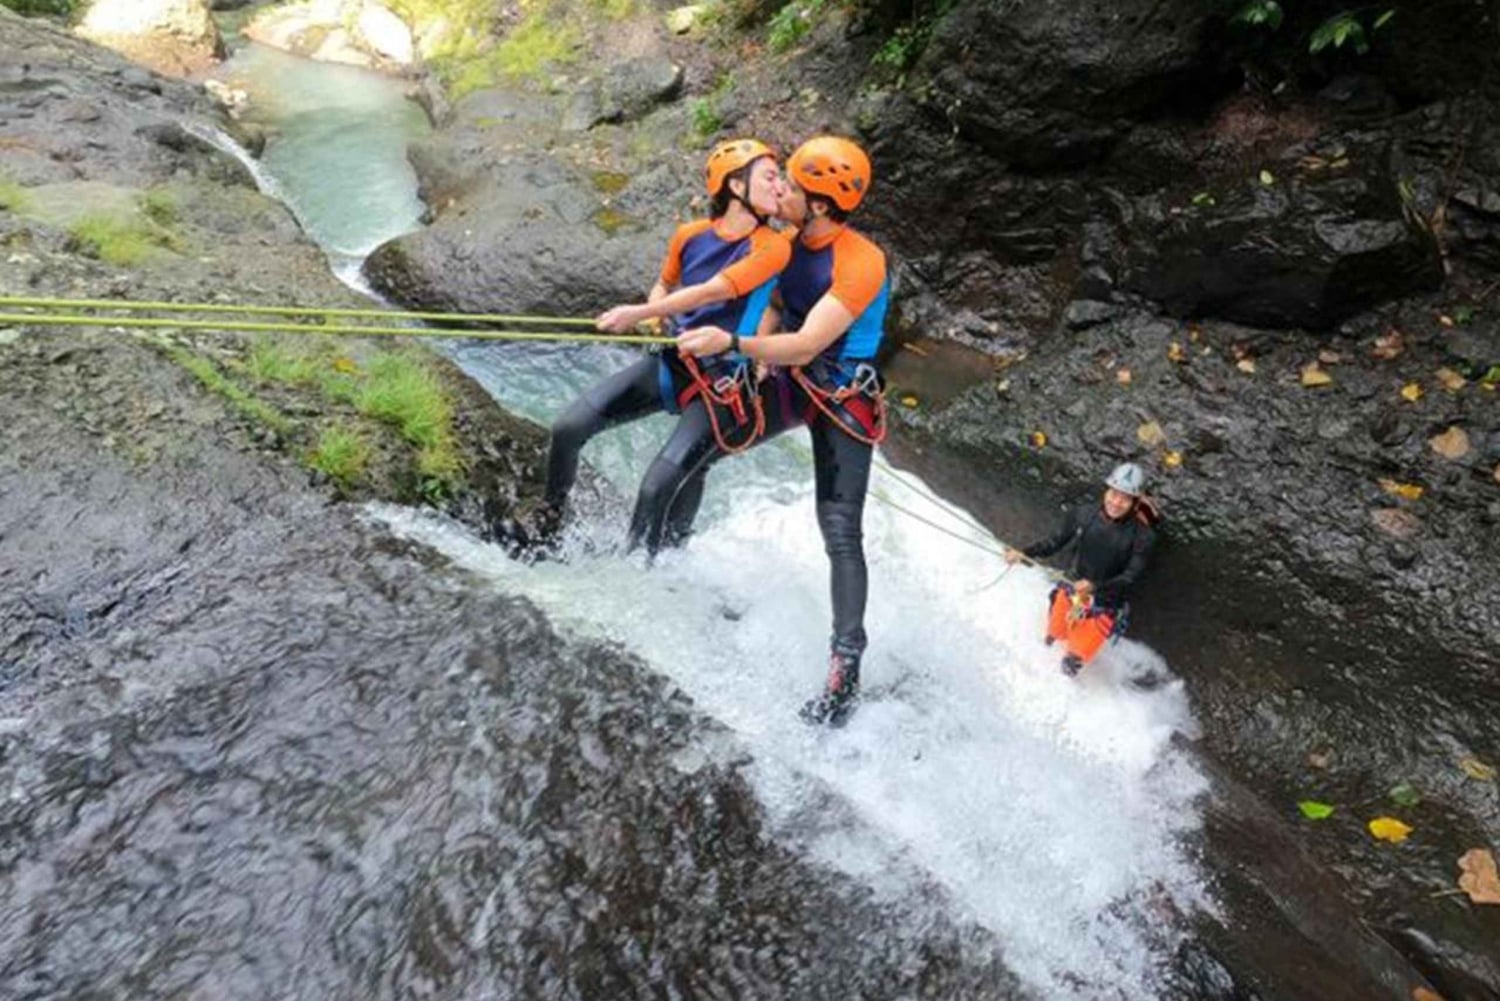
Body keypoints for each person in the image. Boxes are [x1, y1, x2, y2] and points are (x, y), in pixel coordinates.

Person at [678, 136, 890, 725]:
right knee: (709, 444)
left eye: (793, 186)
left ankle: (845, 672)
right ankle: (671, 560)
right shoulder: (790, 243)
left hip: (841, 398)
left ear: (820, 204)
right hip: (793, 382)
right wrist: (757, 348)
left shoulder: (861, 261)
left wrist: (738, 345)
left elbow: (807, 341)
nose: (782, 192)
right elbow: (777, 308)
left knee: (841, 529)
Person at [523, 139, 790, 555]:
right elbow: (666, 283)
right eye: (771, 177)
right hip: (675, 362)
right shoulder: (690, 236)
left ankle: (644, 572)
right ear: (737, 187)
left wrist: (635, 312)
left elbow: (712, 291)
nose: (781, 187)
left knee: (657, 486)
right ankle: (551, 524)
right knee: (568, 428)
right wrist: (652, 310)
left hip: (724, 380)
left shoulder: (773, 246)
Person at [1005, 462, 1158, 676]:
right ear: (1106, 491)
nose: (1116, 502)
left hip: (1103, 605)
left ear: (1135, 502)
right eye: (1113, 494)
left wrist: (1094, 587)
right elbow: (1055, 542)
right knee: (1053, 636)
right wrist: (1024, 553)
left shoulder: (1143, 537)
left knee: (1072, 662)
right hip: (1071, 589)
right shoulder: (1084, 514)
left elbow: (1130, 577)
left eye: (1125, 498)